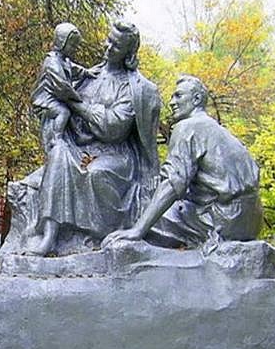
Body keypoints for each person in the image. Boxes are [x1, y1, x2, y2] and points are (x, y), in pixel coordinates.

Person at [29, 21, 161, 255]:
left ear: (128, 52)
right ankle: (50, 235)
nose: (108, 47)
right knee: (58, 152)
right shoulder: (90, 75)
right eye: (108, 40)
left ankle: (97, 236)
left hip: (115, 154)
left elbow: (113, 128)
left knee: (96, 173)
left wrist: (75, 104)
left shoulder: (134, 88)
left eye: (116, 45)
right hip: (80, 148)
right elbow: (56, 98)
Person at [102, 75, 263, 250]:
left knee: (136, 207)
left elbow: (172, 184)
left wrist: (137, 230)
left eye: (178, 96)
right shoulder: (221, 132)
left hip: (220, 220)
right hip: (251, 222)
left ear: (196, 99)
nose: (171, 102)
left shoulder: (188, 127)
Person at [32, 23, 94, 151]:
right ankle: (57, 138)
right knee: (63, 111)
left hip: (55, 96)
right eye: (72, 45)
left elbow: (74, 69)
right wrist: (77, 98)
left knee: (69, 109)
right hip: (44, 98)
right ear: (61, 42)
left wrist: (87, 72)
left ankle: (78, 135)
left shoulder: (64, 60)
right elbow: (62, 86)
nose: (74, 49)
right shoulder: (52, 62)